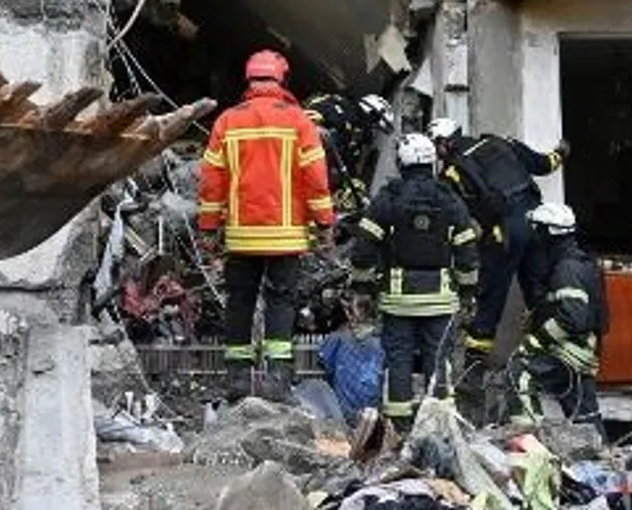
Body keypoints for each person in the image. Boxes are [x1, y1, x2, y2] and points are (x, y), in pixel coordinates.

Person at [197, 49, 336, 402]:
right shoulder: (298, 121)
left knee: (240, 303)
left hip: (242, 236)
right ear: (281, 79)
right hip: (286, 236)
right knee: (281, 302)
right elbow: (316, 180)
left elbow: (211, 182)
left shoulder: (228, 121)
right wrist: (324, 224)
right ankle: (277, 381)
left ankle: (238, 382)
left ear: (249, 80)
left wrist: (209, 229)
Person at [350, 133, 480, 431]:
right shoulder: (450, 199)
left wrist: (363, 290)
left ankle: (398, 425)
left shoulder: (388, 199)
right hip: (440, 300)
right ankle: (441, 426)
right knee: (438, 361)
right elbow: (466, 250)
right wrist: (469, 291)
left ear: (402, 163)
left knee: (398, 360)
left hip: (398, 300)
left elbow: (365, 248)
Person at [427, 119, 570, 388]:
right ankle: (551, 364)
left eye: (436, 147)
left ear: (444, 143)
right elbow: (544, 164)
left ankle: (473, 374)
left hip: (504, 233)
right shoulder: (501, 141)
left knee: (489, 299)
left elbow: (453, 218)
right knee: (539, 294)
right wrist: (561, 152)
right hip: (537, 225)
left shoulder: (451, 174)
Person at [506, 202, 608, 435]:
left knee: (519, 373)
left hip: (570, 350)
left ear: (548, 233)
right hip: (583, 351)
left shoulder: (567, 268)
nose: (535, 235)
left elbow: (572, 318)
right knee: (586, 417)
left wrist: (534, 342)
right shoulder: (575, 262)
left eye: (538, 229)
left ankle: (530, 445)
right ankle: (600, 457)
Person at [303, 93, 395, 213]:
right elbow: (305, 118)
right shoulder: (337, 107)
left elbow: (348, 163)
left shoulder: (358, 134)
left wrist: (354, 185)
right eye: (373, 124)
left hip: (317, 178)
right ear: (370, 113)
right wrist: (317, 128)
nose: (372, 129)